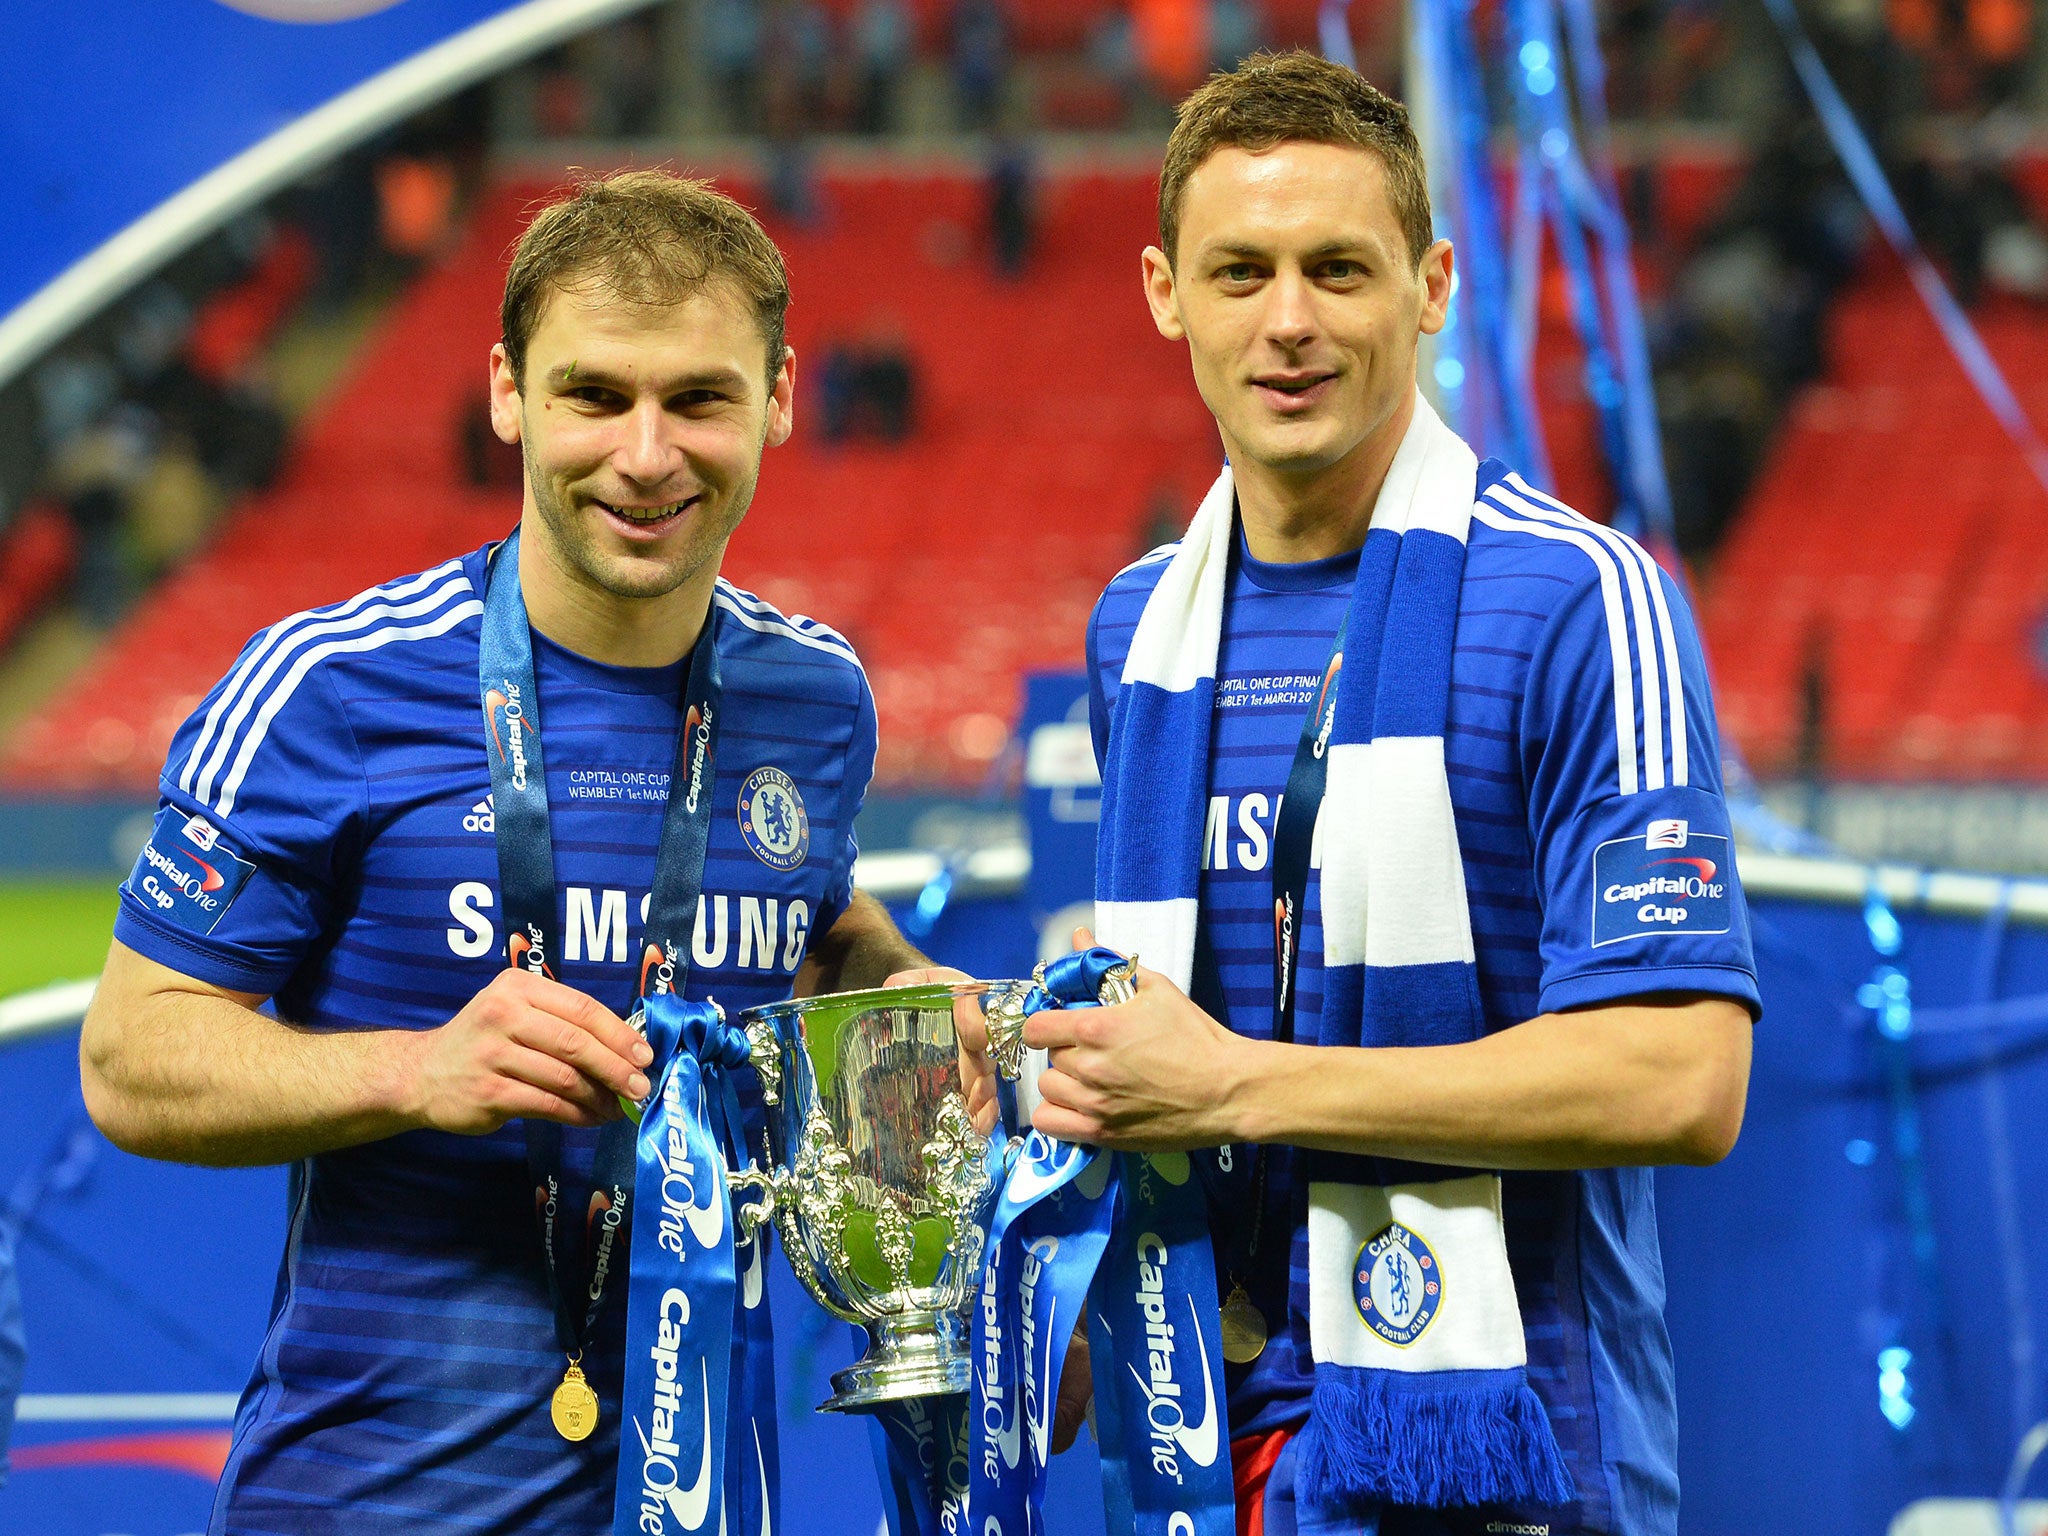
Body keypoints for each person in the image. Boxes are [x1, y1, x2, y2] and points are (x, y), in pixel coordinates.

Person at [78, 169, 929, 1534]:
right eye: (596, 394)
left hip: (701, 1500)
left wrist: (909, 997)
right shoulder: (330, 686)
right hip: (373, 1503)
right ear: (507, 394)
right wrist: (421, 1069)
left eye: (699, 399)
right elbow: (129, 1059)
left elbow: (809, 922)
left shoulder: (817, 701)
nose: (647, 456)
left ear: (777, 397)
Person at [1019, 52, 1758, 1536]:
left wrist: (1239, 1084)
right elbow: (1167, 1050)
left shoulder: (1577, 601)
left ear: (1428, 288)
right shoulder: (1139, 628)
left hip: (1511, 1458)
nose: (1287, 321)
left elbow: (1681, 1079)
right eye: (1242, 271)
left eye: (1337, 270)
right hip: (1205, 1440)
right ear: (1167, 292)